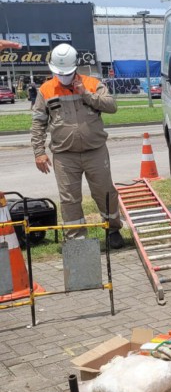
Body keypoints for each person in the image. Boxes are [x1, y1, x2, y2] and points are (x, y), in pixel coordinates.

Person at [30, 43, 125, 247]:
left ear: (76, 67)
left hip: (95, 151)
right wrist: (39, 152)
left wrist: (86, 94)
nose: (64, 77)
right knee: (69, 199)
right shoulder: (46, 90)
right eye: (59, 73)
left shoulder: (92, 83)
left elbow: (112, 106)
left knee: (105, 192)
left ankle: (113, 230)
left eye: (68, 73)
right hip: (65, 155)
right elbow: (38, 123)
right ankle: (76, 239)